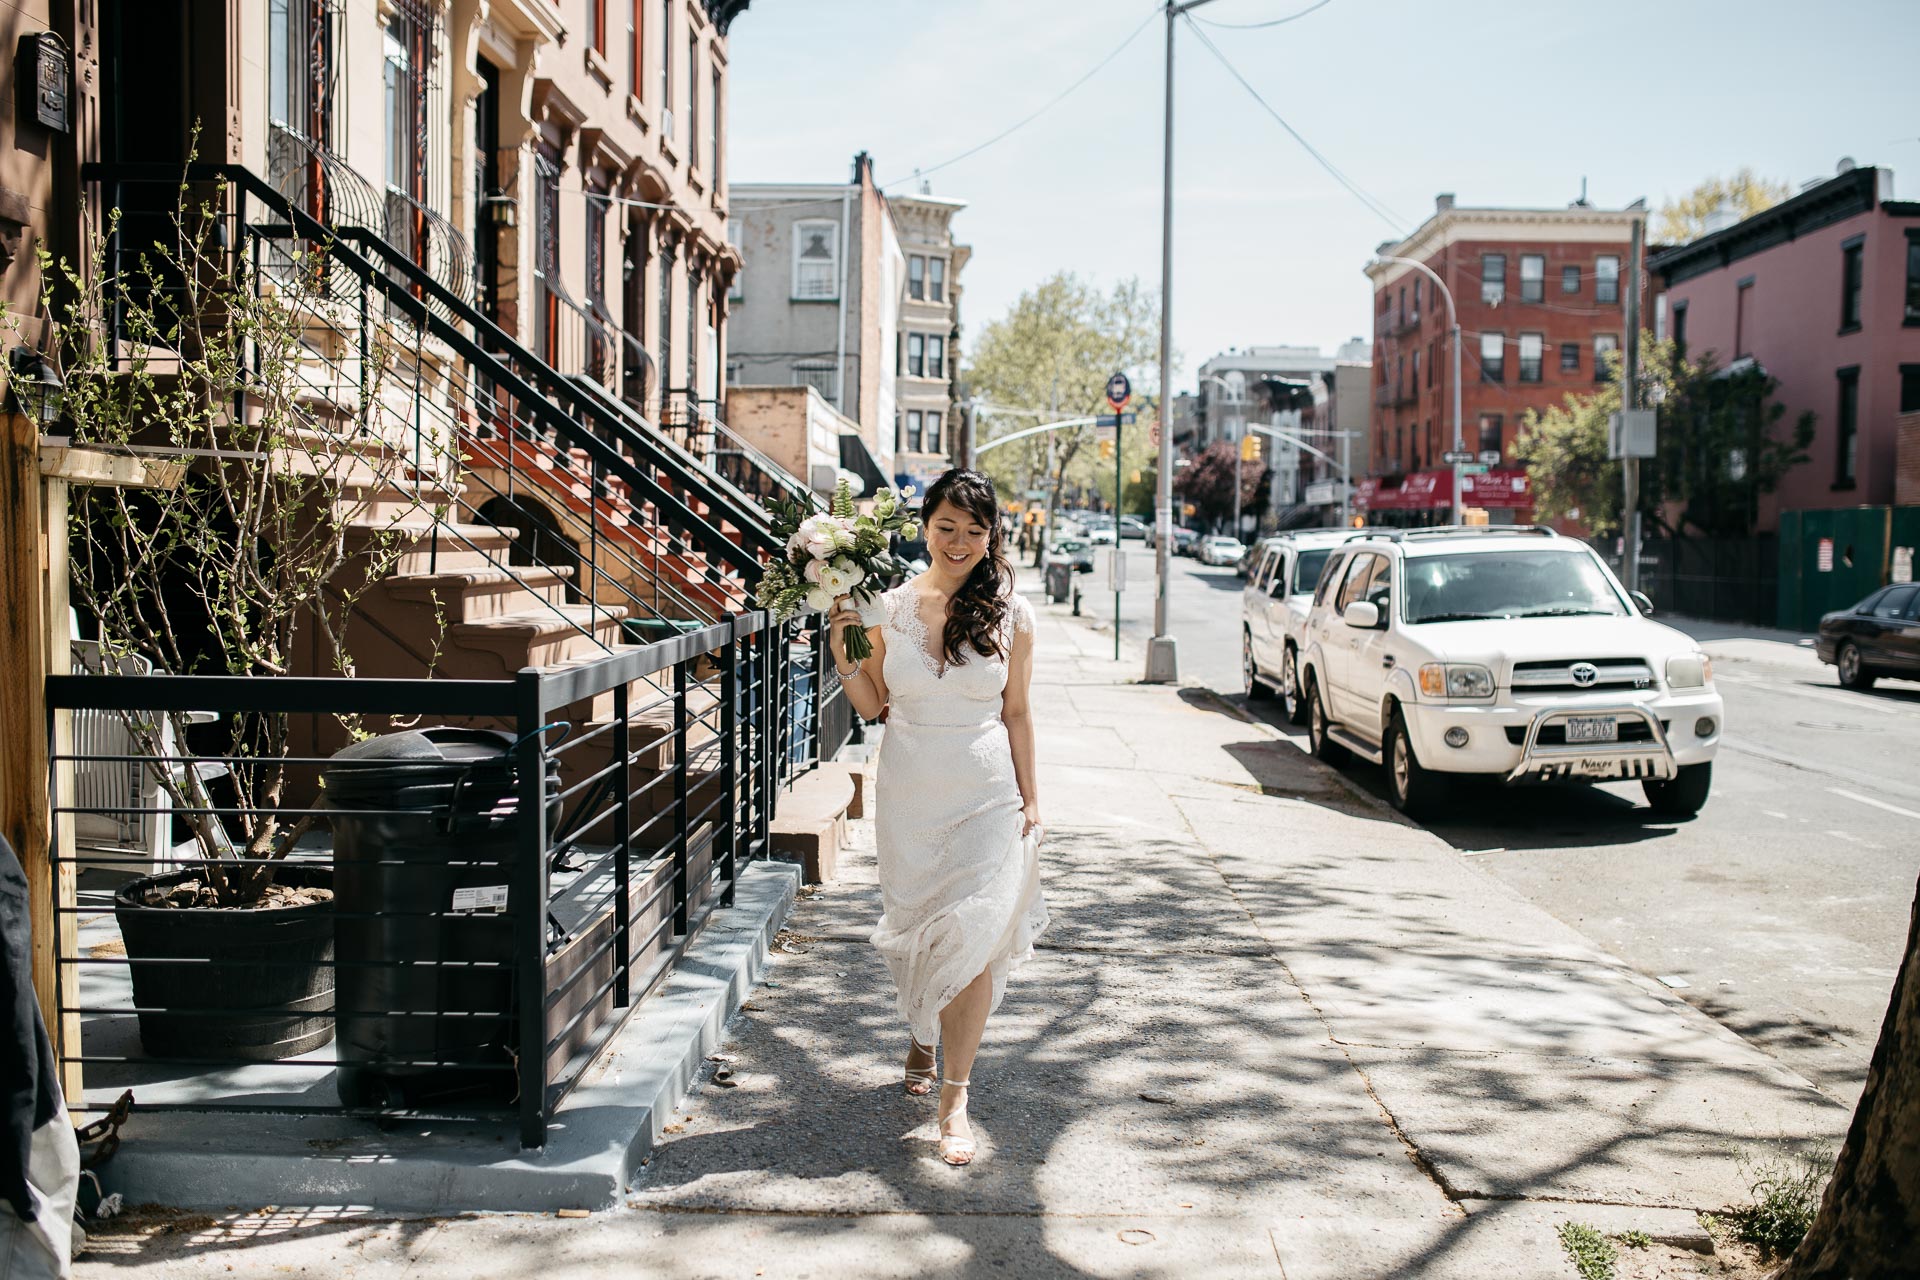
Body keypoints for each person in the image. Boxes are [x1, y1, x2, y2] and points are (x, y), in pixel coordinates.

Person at [826, 468, 1048, 1167]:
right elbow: (871, 705)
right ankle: (924, 1033)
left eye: (974, 531)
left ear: (991, 537)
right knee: (920, 935)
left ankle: (954, 1099)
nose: (959, 541)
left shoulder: (1013, 615)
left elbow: (1017, 712)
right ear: (924, 527)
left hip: (987, 797)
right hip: (911, 797)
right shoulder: (885, 608)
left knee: (973, 940)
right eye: (946, 526)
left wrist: (1032, 798)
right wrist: (841, 646)